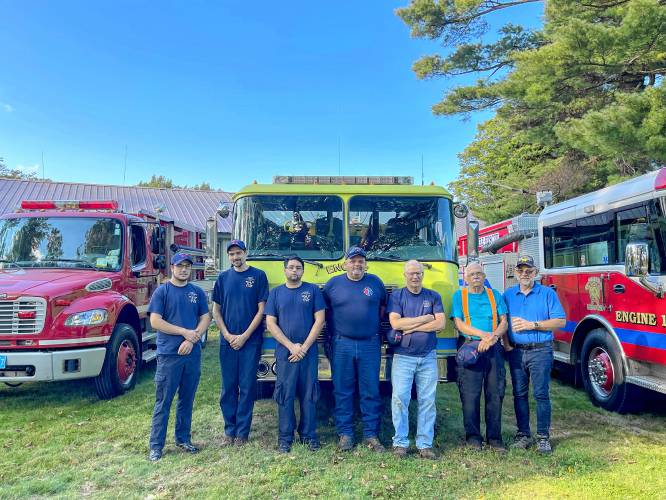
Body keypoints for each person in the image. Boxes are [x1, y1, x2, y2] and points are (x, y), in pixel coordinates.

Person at [147, 252, 211, 462]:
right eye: (180, 266)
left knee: (187, 399)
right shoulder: (162, 292)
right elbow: (155, 321)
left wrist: (192, 339)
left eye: (187, 266)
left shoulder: (196, 292)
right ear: (172, 268)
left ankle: (183, 438)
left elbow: (205, 317)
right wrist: (184, 332)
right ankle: (156, 446)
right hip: (169, 355)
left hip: (191, 355)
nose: (184, 269)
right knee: (164, 401)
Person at [323, 246, 387, 452]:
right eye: (353, 261)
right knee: (342, 390)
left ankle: (371, 434)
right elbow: (323, 311)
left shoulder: (375, 283)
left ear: (365, 264)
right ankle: (346, 434)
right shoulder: (333, 284)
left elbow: (383, 309)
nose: (357, 264)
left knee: (371, 390)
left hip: (370, 344)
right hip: (342, 344)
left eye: (360, 261)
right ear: (346, 263)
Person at [503, 255, 566, 454]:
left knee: (541, 394)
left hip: (540, 350)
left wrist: (533, 325)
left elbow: (560, 321)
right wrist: (506, 344)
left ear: (535, 272)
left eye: (528, 270)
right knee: (519, 394)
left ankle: (543, 437)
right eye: (521, 270)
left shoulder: (547, 293)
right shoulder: (508, 295)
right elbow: (502, 321)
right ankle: (523, 434)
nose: (524, 274)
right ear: (515, 273)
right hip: (516, 352)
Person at [265, 256, 326, 453]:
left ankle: (309, 435)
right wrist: (291, 346)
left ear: (303, 271)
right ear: (284, 270)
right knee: (285, 394)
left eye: (298, 268)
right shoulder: (275, 294)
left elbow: (320, 320)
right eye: (291, 267)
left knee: (310, 393)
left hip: (308, 352)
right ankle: (285, 437)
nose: (294, 271)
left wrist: (304, 347)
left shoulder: (313, 291)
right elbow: (271, 323)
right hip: (285, 352)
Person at [212, 239, 269, 446]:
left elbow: (262, 310)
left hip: (250, 342)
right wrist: (227, 335)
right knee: (228, 387)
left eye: (239, 253)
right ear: (229, 257)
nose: (236, 257)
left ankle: (242, 433)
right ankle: (229, 431)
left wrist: (245, 336)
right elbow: (216, 311)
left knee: (247, 387)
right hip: (227, 342)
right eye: (232, 254)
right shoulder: (223, 278)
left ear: (246, 253)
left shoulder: (258, 276)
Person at [387, 260, 445, 459]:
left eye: (418, 273)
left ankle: (424, 444)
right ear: (405, 275)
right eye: (411, 273)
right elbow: (395, 322)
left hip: (428, 356)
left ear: (423, 274)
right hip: (403, 357)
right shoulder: (397, 296)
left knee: (428, 401)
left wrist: (410, 327)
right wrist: (425, 318)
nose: (415, 276)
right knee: (399, 399)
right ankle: (400, 443)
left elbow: (440, 324)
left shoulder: (433, 296)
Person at [451, 262, 508, 451]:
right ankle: (473, 437)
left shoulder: (495, 295)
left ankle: (495, 438)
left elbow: (504, 322)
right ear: (465, 277)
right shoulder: (459, 296)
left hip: (493, 348)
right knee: (470, 394)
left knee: (495, 392)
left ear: (484, 276)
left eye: (479, 274)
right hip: (469, 347)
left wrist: (493, 338)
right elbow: (459, 324)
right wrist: (483, 335)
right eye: (472, 274)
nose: (476, 276)